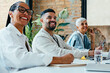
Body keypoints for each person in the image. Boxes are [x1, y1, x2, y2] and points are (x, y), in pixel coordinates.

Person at [0, 1, 74, 72]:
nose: (26, 13)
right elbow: (20, 59)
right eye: (21, 10)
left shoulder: (23, 37)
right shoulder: (5, 33)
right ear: (11, 14)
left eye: (29, 12)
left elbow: (30, 62)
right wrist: (60, 60)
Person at [32, 8, 97, 58]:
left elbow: (72, 49)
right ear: (41, 20)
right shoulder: (40, 38)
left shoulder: (57, 37)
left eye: (54, 18)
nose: (53, 20)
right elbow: (59, 53)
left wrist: (90, 52)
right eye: (49, 17)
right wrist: (88, 53)